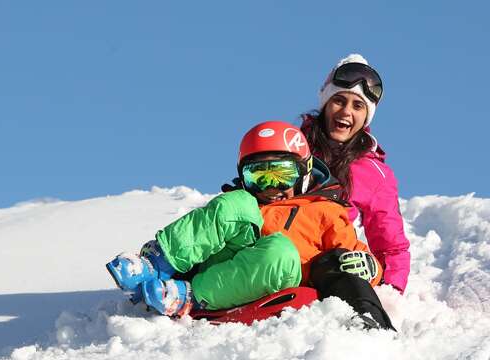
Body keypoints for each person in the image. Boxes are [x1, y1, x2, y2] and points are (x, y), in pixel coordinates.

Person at [107, 121, 395, 329]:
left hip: (268, 274)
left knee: (280, 250)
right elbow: (213, 226)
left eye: (281, 175)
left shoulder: (325, 211)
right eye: (259, 176)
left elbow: (351, 258)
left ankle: (188, 296)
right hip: (222, 262)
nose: (271, 187)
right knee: (236, 204)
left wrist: (371, 266)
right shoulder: (248, 201)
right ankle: (156, 263)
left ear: (304, 173)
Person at [300, 54, 410, 293]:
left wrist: (390, 292)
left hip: (327, 262)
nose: (346, 111)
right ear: (326, 104)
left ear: (366, 116)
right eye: (339, 100)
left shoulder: (373, 173)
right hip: (281, 247)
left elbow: (390, 244)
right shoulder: (294, 146)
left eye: (357, 105)